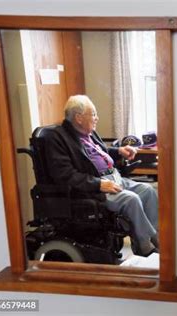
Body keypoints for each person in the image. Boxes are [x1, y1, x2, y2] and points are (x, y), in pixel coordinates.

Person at [45, 95, 159, 257]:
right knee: (131, 199)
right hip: (93, 188)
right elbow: (64, 174)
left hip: (114, 178)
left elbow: (98, 153)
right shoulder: (58, 138)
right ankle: (144, 244)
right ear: (78, 118)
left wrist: (119, 151)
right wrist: (97, 184)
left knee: (147, 190)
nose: (97, 118)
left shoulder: (88, 133)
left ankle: (156, 236)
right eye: (93, 114)